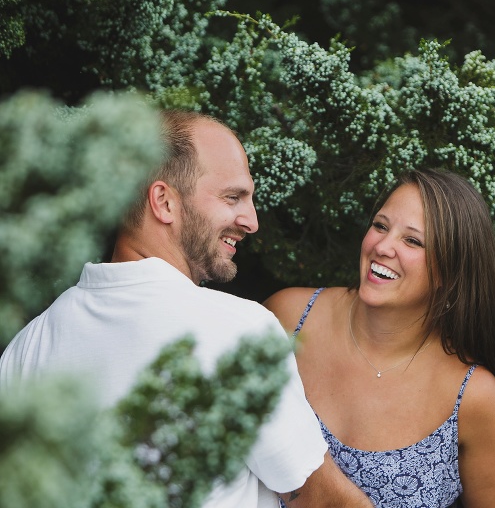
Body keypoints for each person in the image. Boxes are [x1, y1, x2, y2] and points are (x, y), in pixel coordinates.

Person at [0, 109, 373, 508]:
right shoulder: (236, 330)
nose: (252, 221)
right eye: (233, 197)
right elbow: (321, 500)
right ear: (164, 202)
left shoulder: (25, 350)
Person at [264, 168, 495, 507]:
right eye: (380, 225)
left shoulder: (475, 401)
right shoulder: (288, 317)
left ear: (448, 273)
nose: (383, 246)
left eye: (412, 240)